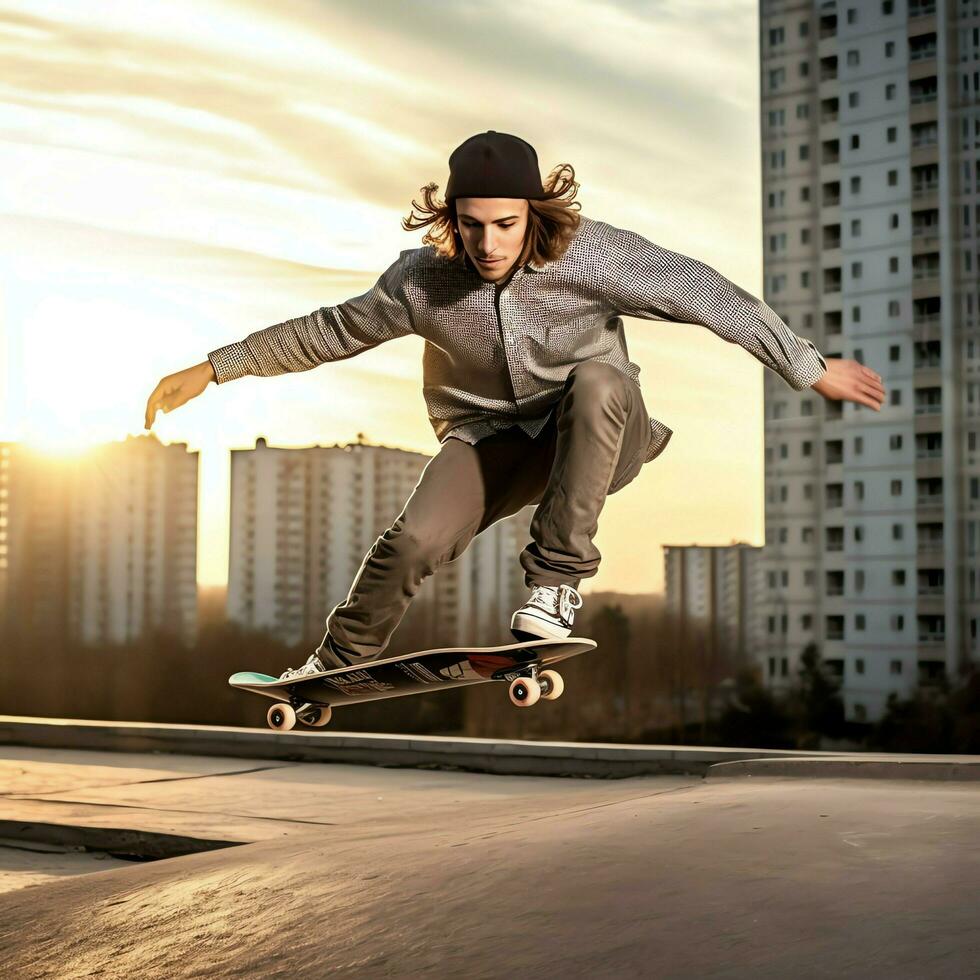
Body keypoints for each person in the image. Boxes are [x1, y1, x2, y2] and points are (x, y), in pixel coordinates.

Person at [144, 130, 885, 679]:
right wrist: (215, 368)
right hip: (494, 442)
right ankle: (333, 663)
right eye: (472, 226)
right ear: (451, 218)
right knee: (411, 543)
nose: (489, 244)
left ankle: (556, 586)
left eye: (506, 224)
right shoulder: (420, 282)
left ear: (534, 213)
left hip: (599, 434)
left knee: (597, 381)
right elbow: (332, 330)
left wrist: (807, 366)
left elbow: (704, 292)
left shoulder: (590, 255)